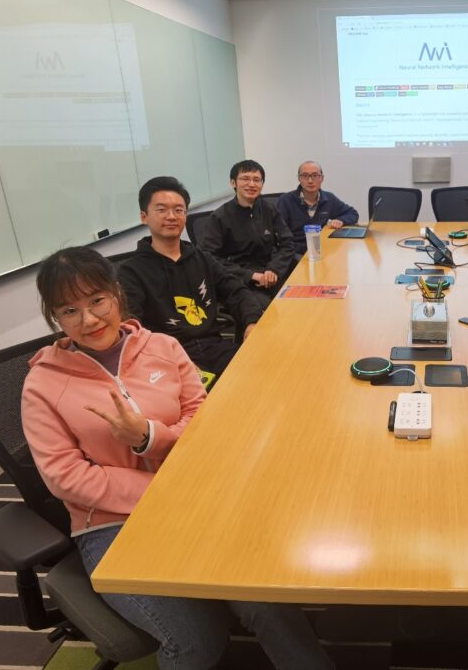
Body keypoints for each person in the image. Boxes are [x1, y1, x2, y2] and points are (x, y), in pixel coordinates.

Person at [21, 247, 334, 670]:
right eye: (70, 310)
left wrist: (148, 436)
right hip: (112, 526)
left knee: (268, 600)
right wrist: (162, 492)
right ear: (55, 317)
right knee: (195, 641)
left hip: (198, 499)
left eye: (97, 301)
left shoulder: (163, 348)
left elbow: (204, 422)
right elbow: (65, 478)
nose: (89, 320)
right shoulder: (42, 383)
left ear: (117, 294)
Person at [118, 176, 263, 387]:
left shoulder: (201, 258)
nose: (171, 216)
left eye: (178, 210)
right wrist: (171, 362)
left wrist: (251, 323)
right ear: (144, 217)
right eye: (161, 210)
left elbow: (236, 291)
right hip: (168, 357)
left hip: (215, 345)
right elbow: (132, 328)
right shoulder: (131, 271)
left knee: (262, 377)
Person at [199, 160, 295, 310]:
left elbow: (287, 243)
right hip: (239, 280)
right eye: (245, 178)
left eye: (256, 180)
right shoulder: (220, 217)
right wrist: (251, 275)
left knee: (298, 302)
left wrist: (274, 270)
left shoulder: (268, 209)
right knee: (268, 312)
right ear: (233, 183)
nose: (251, 184)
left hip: (271, 274)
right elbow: (208, 257)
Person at [276, 160, 359, 256]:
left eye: (315, 175)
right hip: (295, 252)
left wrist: (341, 220)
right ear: (299, 179)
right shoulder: (286, 200)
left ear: (322, 178)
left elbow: (353, 213)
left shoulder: (329, 198)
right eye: (305, 176)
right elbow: (279, 235)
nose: (310, 180)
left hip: (322, 249)